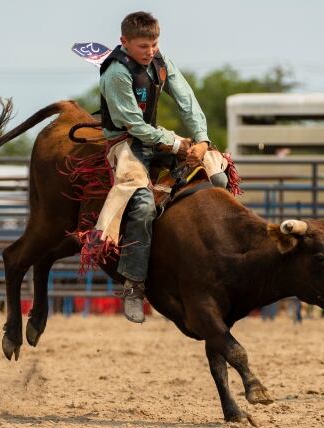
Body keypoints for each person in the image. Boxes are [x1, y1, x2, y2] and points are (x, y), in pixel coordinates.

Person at [94, 11, 228, 324]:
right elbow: (134, 125)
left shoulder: (160, 62)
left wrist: (202, 140)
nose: (150, 50)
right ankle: (133, 286)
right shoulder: (116, 73)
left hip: (156, 141)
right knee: (141, 206)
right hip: (125, 144)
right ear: (124, 42)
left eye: (154, 43)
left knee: (219, 176)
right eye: (143, 45)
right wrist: (179, 145)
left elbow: (187, 99)